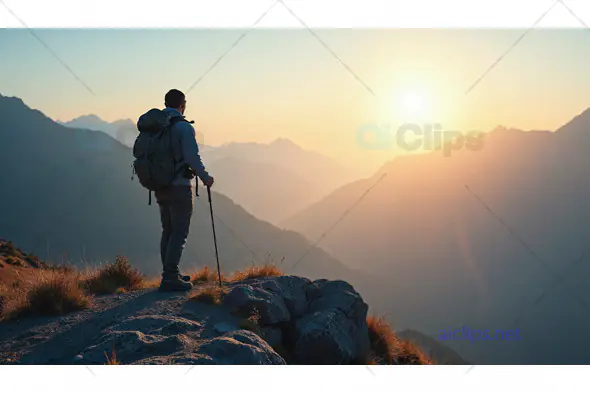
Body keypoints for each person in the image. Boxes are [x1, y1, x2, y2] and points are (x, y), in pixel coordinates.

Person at [156, 89, 214, 291]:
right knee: (179, 232)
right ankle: (170, 277)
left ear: (165, 103)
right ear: (183, 105)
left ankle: (170, 272)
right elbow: (192, 158)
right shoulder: (183, 128)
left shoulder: (158, 126)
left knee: (168, 230)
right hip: (179, 186)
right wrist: (205, 177)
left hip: (159, 185)